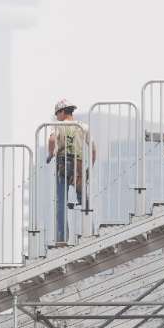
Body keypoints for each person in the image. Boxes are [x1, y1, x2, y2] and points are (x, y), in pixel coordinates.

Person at [47, 99, 96, 244]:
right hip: (78, 166)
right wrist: (89, 168)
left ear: (62, 112)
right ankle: (89, 232)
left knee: (61, 203)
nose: (56, 117)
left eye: (57, 114)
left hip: (63, 165)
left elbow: (51, 140)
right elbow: (93, 149)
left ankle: (62, 238)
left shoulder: (58, 126)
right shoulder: (83, 127)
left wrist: (50, 155)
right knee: (84, 200)